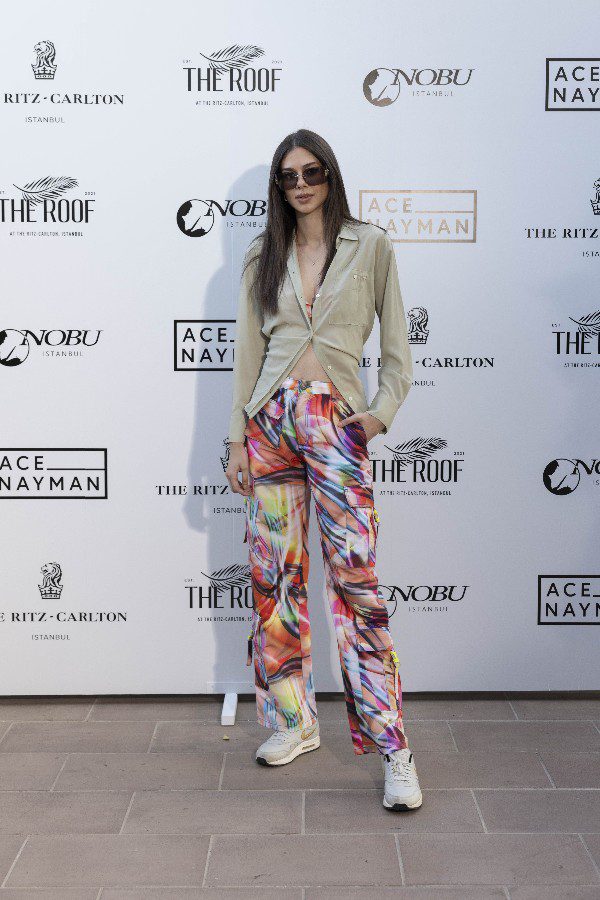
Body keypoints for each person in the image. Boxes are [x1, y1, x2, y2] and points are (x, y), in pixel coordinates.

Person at [225, 128, 422, 811]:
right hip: (271, 423)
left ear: (330, 176)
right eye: (289, 176)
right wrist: (237, 439)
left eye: (312, 172)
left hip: (336, 421)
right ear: (278, 188)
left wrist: (378, 415)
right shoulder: (263, 254)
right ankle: (294, 722)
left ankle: (395, 750)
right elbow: (247, 354)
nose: (301, 185)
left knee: (356, 585)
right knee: (275, 582)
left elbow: (397, 348)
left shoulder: (370, 246)